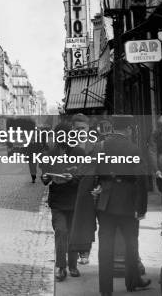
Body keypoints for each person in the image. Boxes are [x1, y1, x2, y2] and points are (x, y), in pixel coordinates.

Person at [94, 117, 150, 296]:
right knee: (131, 243)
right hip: (128, 203)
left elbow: (93, 172)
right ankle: (132, 282)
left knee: (105, 247)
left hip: (105, 202)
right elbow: (141, 180)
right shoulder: (133, 148)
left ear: (112, 128)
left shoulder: (101, 146)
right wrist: (141, 208)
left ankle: (105, 290)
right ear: (128, 129)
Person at [40, 123, 83, 282]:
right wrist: (45, 178)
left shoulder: (79, 152)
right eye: (58, 136)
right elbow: (45, 176)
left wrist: (74, 178)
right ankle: (61, 267)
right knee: (61, 231)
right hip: (57, 200)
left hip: (73, 199)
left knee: (72, 233)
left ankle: (72, 265)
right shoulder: (50, 153)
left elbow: (85, 175)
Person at [70, 113, 92, 265]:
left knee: (87, 223)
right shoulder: (68, 147)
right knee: (72, 221)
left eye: (83, 128)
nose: (80, 131)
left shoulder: (95, 146)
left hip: (88, 190)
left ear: (88, 128)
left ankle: (85, 252)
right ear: (73, 129)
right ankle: (73, 252)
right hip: (71, 189)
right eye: (77, 128)